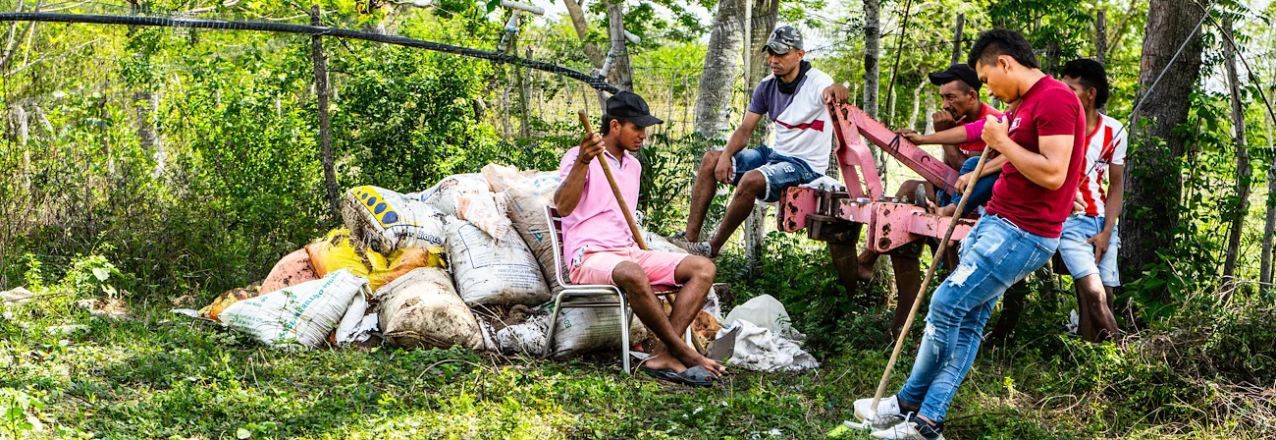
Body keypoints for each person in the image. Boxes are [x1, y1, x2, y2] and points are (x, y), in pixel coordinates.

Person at [854, 29, 1086, 440]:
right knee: (967, 318)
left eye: (987, 80)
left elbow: (1053, 173)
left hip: (1023, 232)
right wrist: (989, 152)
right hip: (998, 221)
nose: (990, 93)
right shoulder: (1025, 103)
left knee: (945, 304)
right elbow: (1006, 150)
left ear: (1005, 64)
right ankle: (924, 421)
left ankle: (910, 402)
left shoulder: (1056, 99)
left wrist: (1001, 143)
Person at [553, 91, 726, 386]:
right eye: (637, 127)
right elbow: (562, 206)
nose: (643, 135)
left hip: (628, 252)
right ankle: (684, 351)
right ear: (616, 126)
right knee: (632, 273)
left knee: (703, 268)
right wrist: (583, 160)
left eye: (645, 129)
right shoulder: (579, 156)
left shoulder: (633, 166)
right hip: (589, 256)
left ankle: (662, 355)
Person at [668, 25, 850, 257]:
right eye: (770, 53)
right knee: (711, 159)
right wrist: (725, 157)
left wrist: (837, 89)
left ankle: (711, 249)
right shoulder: (767, 86)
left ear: (799, 54)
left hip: (804, 167)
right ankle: (689, 239)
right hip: (776, 156)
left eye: (781, 54)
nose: (774, 59)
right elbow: (744, 130)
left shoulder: (815, 80)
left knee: (752, 179)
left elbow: (830, 89)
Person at [1059, 58, 1125, 343]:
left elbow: (1116, 184)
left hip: (1102, 222)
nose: (1063, 95)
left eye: (1070, 89)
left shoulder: (1114, 130)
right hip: (1070, 223)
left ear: (1091, 93)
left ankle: (1092, 365)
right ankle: (1130, 361)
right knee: (1093, 294)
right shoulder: (1057, 126)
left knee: (1104, 296)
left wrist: (1108, 232)